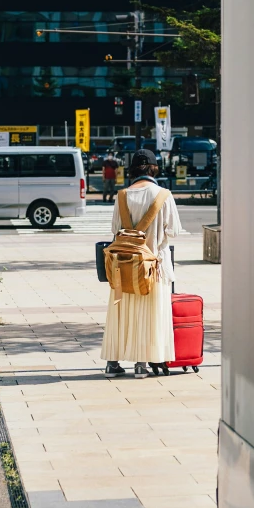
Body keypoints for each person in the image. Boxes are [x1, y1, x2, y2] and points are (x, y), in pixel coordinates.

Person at [101, 149, 182, 377]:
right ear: (154, 168)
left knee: (121, 313)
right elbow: (174, 231)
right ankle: (141, 364)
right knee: (149, 314)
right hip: (153, 266)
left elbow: (115, 229)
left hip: (123, 266)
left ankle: (112, 363)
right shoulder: (163, 195)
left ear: (133, 169)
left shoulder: (122, 195)